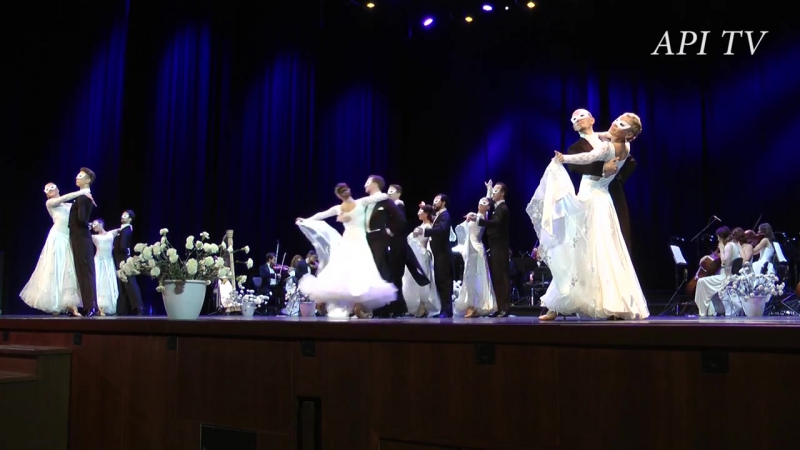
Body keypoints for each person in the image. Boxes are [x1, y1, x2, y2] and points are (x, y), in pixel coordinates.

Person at [528, 113, 649, 320]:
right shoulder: (618, 144)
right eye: (617, 120)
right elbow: (591, 153)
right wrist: (603, 166)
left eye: (621, 124)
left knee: (594, 250)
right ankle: (556, 305)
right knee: (579, 249)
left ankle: (609, 303)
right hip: (599, 199)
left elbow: (588, 158)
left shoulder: (607, 145)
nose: (614, 123)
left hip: (592, 200)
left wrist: (563, 158)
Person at [296, 183, 397, 318]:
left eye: (345, 189)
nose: (344, 192)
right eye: (341, 192)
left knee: (362, 271)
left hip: (360, 241)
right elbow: (322, 214)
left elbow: (379, 197)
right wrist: (306, 220)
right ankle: (328, 302)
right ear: (338, 195)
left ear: (349, 189)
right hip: (347, 241)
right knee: (341, 271)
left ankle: (359, 306)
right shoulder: (338, 209)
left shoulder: (361, 202)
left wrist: (391, 194)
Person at [566, 109, 637, 254]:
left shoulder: (608, 138)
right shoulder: (575, 148)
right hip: (592, 194)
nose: (578, 119)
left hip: (614, 193)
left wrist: (616, 176)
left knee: (617, 236)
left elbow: (630, 162)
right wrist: (602, 169)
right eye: (574, 119)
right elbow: (575, 166)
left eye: (581, 116)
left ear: (592, 120)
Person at [19, 183, 93, 316]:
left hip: (68, 238)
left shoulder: (68, 205)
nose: (50, 190)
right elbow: (64, 198)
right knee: (55, 269)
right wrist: (82, 192)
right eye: (47, 189)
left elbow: (78, 209)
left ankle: (71, 305)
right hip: (57, 237)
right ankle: (55, 304)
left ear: (58, 189)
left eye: (52, 187)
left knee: (68, 270)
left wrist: (88, 200)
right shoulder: (50, 203)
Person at [468, 180, 510, 316]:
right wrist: (489, 190)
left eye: (496, 191)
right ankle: (499, 307)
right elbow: (488, 202)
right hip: (494, 247)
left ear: (502, 193)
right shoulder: (496, 207)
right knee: (496, 277)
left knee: (502, 277)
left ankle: (505, 308)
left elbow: (495, 223)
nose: (493, 193)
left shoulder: (503, 208)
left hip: (500, 248)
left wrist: (478, 220)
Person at [456, 197, 497, 317]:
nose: (480, 203)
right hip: (470, 248)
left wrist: (472, 216)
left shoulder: (481, 217)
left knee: (476, 277)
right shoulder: (476, 215)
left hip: (476, 249)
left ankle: (474, 305)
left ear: (488, 207)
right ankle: (472, 305)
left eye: (484, 203)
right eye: (480, 201)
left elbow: (479, 218)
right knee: (469, 276)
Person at [414, 194, 453, 317]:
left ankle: (447, 310)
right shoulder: (439, 215)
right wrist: (425, 207)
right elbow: (431, 214)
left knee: (444, 282)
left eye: (437, 200)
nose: (434, 202)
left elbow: (442, 229)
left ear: (443, 203)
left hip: (443, 254)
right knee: (439, 281)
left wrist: (425, 231)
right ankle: (444, 309)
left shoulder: (445, 215)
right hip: (438, 254)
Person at [69, 168, 99, 316]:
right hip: (79, 235)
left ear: (88, 180)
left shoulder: (83, 197)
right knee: (82, 271)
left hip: (81, 236)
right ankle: (88, 305)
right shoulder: (83, 196)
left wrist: (87, 223)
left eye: (81, 176)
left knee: (86, 271)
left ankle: (91, 305)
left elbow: (81, 218)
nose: (77, 177)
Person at [402, 205, 441, 317]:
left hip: (421, 255)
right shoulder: (421, 226)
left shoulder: (427, 227)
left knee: (420, 281)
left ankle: (423, 305)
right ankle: (416, 306)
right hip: (414, 254)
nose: (418, 213)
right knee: (411, 280)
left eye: (420, 211)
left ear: (426, 214)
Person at [694, 226, 740, 317]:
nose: (718, 239)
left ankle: (702, 311)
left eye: (718, 237)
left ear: (721, 236)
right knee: (703, 282)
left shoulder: (728, 246)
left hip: (726, 277)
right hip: (727, 275)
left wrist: (722, 249)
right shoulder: (733, 244)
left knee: (701, 282)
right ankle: (711, 309)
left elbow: (725, 262)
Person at [113, 210, 143, 315]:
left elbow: (123, 245)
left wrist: (126, 252)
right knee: (123, 283)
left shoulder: (126, 229)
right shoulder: (122, 229)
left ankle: (138, 305)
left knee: (129, 281)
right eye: (122, 215)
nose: (122, 217)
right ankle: (122, 309)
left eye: (125, 216)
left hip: (123, 258)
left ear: (130, 219)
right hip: (119, 257)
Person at [91, 219, 119, 316]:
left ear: (101, 224)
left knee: (108, 283)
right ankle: (100, 307)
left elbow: (122, 229)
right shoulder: (94, 237)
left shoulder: (111, 234)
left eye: (95, 224)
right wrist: (89, 225)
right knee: (100, 283)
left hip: (109, 261)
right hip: (99, 261)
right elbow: (83, 235)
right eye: (93, 225)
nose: (94, 226)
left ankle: (108, 306)